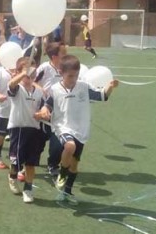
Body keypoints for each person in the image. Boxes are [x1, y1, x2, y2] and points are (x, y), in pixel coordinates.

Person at [36, 54, 118, 205]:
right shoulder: (55, 89)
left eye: (76, 75)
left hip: (81, 130)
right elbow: (47, 105)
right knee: (69, 146)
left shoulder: (83, 87)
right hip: (62, 127)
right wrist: (44, 111)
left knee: (74, 165)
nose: (73, 79)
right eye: (70, 76)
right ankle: (61, 174)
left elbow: (102, 96)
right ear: (61, 73)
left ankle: (66, 192)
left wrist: (110, 87)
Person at [7, 57, 46, 203]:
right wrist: (23, 73)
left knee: (30, 163)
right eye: (26, 73)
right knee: (16, 163)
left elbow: (43, 107)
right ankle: (12, 177)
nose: (29, 77)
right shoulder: (17, 88)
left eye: (32, 73)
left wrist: (42, 113)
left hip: (34, 129)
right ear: (18, 72)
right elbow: (11, 84)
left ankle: (28, 189)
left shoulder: (39, 92)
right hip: (18, 129)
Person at [34, 42, 67, 177]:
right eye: (63, 53)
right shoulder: (44, 68)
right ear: (54, 56)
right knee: (39, 140)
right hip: (44, 109)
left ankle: (53, 165)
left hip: (60, 110)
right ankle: (31, 162)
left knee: (58, 142)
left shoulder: (66, 68)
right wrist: (40, 88)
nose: (66, 55)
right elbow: (32, 80)